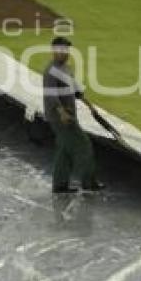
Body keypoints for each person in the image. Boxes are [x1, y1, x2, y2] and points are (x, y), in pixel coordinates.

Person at [42, 36, 103, 193]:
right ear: (54, 51)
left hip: (69, 115)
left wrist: (90, 106)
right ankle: (89, 182)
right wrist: (61, 112)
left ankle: (60, 185)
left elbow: (76, 91)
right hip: (60, 117)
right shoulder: (51, 72)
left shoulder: (66, 69)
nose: (64, 53)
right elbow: (51, 96)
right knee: (84, 145)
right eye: (61, 50)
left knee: (64, 149)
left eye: (66, 50)